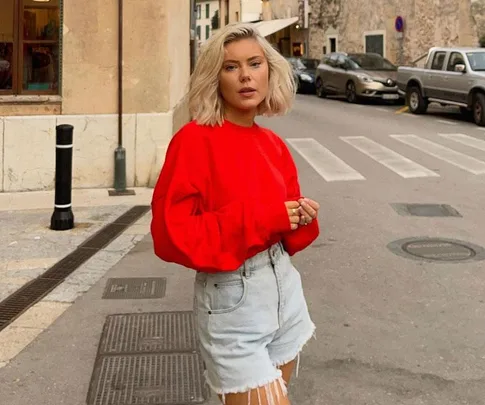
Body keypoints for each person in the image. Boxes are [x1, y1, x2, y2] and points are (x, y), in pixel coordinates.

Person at [151, 22, 320, 405]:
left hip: (284, 291)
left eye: (255, 63)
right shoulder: (194, 140)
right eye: (231, 67)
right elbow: (170, 234)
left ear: (269, 71)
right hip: (233, 302)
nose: (245, 75)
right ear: (215, 77)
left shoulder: (272, 143)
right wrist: (266, 218)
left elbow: (284, 226)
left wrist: (300, 216)